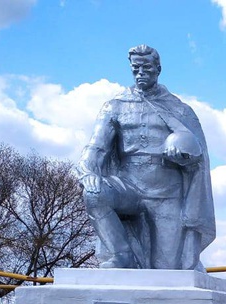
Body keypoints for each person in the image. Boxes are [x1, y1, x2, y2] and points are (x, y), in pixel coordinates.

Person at [76, 44, 215, 270]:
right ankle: (121, 255)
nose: (141, 73)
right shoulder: (115, 107)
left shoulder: (180, 109)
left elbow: (198, 155)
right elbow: (96, 148)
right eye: (136, 68)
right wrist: (88, 173)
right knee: (94, 194)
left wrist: (185, 155)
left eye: (147, 68)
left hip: (167, 195)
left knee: (168, 271)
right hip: (128, 188)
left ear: (158, 69)